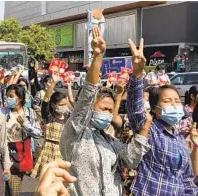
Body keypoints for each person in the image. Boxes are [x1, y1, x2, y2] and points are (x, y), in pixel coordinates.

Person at [60, 28, 152, 196]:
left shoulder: (109, 140)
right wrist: (98, 56)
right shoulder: (74, 133)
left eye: (111, 110)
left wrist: (145, 129)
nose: (109, 114)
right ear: (91, 109)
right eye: (104, 108)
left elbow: (131, 159)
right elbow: (87, 95)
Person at [126, 39, 198, 195]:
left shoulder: (179, 138)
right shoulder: (149, 129)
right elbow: (134, 107)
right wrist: (137, 75)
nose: (174, 105)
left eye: (177, 101)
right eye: (167, 101)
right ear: (155, 108)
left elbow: (186, 179)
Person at [1, 84, 42, 196]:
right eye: (7, 96)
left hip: (20, 155)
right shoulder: (2, 112)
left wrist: (25, 124)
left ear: (20, 98)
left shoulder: (29, 113)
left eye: (11, 96)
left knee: (13, 190)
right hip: (4, 153)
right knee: (2, 187)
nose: (8, 99)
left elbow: (38, 133)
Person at [30, 73, 69, 178]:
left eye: (65, 104)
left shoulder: (67, 118)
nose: (64, 107)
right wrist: (54, 83)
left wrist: (69, 86)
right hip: (48, 150)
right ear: (53, 105)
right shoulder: (48, 116)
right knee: (47, 178)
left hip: (61, 152)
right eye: (61, 105)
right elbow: (46, 99)